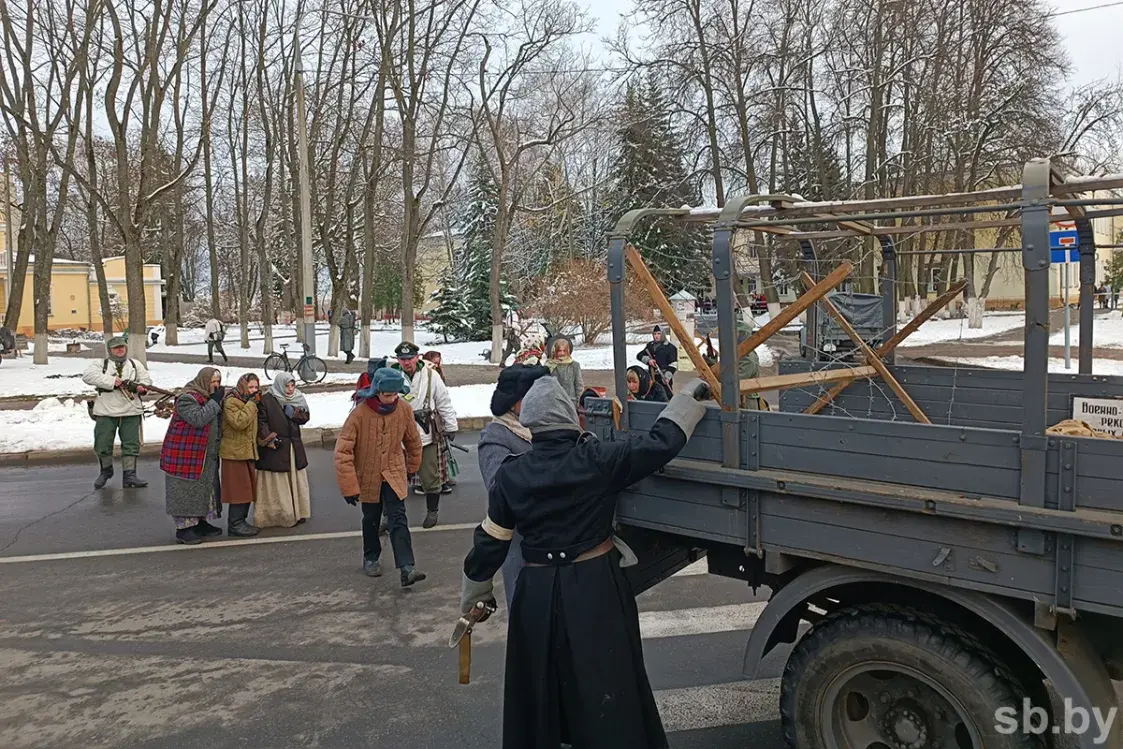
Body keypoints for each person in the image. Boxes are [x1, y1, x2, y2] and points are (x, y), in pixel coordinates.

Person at [459, 376, 710, 749]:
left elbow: (491, 540)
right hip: (596, 584)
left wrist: (476, 594)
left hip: (537, 592)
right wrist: (686, 400)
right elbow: (660, 444)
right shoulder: (597, 459)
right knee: (607, 682)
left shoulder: (512, 474)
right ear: (568, 415)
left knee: (541, 686)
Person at [334, 367, 428, 587]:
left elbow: (413, 440)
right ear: (376, 391)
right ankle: (371, 557)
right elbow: (343, 451)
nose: (391, 399)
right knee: (371, 518)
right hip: (367, 473)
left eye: (396, 394)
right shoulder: (359, 414)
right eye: (387, 395)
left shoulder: (403, 410)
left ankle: (407, 568)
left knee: (398, 519)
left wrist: (412, 466)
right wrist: (349, 487)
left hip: (394, 471)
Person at [476, 363, 552, 610]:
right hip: (523, 547)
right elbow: (500, 488)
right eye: (529, 397)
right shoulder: (497, 436)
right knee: (529, 618)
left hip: (557, 544)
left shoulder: (549, 426)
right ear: (512, 402)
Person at [394, 341, 457, 528]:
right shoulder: (392, 375)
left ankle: (432, 511)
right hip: (397, 435)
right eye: (402, 359)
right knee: (391, 479)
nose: (406, 363)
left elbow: (443, 400)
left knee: (430, 476)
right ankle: (389, 517)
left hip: (424, 432)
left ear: (417, 357)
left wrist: (451, 425)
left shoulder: (430, 375)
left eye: (410, 358)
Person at [160, 367, 225, 545]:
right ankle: (184, 529)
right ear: (204, 381)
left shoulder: (206, 398)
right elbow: (198, 419)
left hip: (203, 454)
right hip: (184, 455)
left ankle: (200, 523)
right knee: (185, 491)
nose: (217, 386)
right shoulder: (187, 398)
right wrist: (216, 402)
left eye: (218, 382)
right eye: (213, 382)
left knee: (204, 489)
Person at [82, 335, 153, 489]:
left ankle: (130, 475)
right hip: (106, 411)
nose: (120, 350)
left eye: (122, 347)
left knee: (131, 444)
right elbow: (87, 376)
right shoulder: (101, 364)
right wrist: (112, 381)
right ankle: (105, 471)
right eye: (116, 348)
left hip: (131, 410)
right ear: (110, 350)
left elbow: (146, 381)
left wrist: (140, 387)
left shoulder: (135, 364)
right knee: (102, 443)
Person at [255, 372, 312, 528]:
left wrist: (294, 412)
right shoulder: (267, 400)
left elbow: (306, 417)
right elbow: (261, 422)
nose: (290, 389)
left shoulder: (297, 398)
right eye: (287, 386)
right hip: (276, 447)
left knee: (294, 479)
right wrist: (269, 439)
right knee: (278, 483)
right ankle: (281, 515)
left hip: (294, 446)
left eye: (292, 385)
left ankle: (298, 512)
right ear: (280, 384)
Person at [220, 373, 262, 537]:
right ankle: (234, 524)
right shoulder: (232, 401)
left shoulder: (247, 401)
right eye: (250, 387)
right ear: (243, 386)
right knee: (238, 490)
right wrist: (252, 404)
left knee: (247, 489)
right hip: (234, 452)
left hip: (247, 451)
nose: (253, 391)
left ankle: (241, 521)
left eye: (256, 387)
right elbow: (239, 422)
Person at [422, 350, 457, 494]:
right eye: (433, 362)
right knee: (430, 455)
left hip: (438, 418)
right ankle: (427, 483)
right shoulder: (425, 376)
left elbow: (443, 399)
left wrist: (450, 423)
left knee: (442, 451)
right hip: (428, 419)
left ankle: (443, 477)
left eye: (438, 362)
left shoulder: (437, 375)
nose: (436, 365)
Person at [638, 326, 679, 390]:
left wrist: (667, 377)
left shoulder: (670, 347)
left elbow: (673, 364)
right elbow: (639, 355)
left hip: (664, 378)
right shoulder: (650, 345)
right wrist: (649, 360)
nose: (656, 336)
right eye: (655, 334)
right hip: (652, 378)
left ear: (662, 334)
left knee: (666, 397)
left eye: (659, 334)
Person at [546, 336, 583, 406]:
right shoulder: (549, 365)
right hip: (554, 403)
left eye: (564, 351)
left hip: (570, 403)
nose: (562, 353)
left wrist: (578, 403)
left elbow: (579, 386)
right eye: (559, 351)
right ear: (555, 350)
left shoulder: (574, 365)